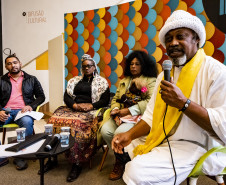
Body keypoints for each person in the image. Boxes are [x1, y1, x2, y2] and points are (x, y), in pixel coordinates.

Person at [111, 10, 226, 185]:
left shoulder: (215, 72)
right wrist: (129, 134)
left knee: (135, 172)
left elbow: (223, 126)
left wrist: (183, 103)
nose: (173, 43)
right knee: (125, 141)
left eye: (180, 36)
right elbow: (150, 116)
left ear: (196, 39)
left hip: (196, 144)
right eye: (169, 39)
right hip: (164, 137)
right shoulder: (164, 76)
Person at [43, 54, 110, 182]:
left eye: (89, 66)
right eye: (84, 66)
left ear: (94, 67)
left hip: (92, 110)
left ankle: (77, 163)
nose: (86, 68)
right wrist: (74, 105)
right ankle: (52, 158)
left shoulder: (102, 82)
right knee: (53, 122)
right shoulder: (74, 80)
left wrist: (91, 105)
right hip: (73, 108)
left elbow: (105, 100)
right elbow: (66, 97)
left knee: (76, 126)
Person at [100, 50, 157, 180]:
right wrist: (115, 108)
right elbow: (115, 99)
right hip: (120, 116)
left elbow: (150, 102)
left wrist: (129, 111)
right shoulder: (124, 81)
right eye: (131, 64)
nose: (133, 66)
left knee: (118, 134)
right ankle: (122, 158)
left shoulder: (151, 81)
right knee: (105, 131)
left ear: (144, 65)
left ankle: (120, 162)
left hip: (140, 118)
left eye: (137, 64)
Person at [0, 53, 45, 170]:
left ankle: (20, 156)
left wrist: (31, 106)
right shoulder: (1, 80)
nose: (13, 65)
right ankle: (2, 156)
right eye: (9, 64)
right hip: (6, 110)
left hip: (23, 111)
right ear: (6, 67)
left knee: (27, 123)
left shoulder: (32, 79)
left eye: (15, 62)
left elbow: (41, 96)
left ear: (20, 64)